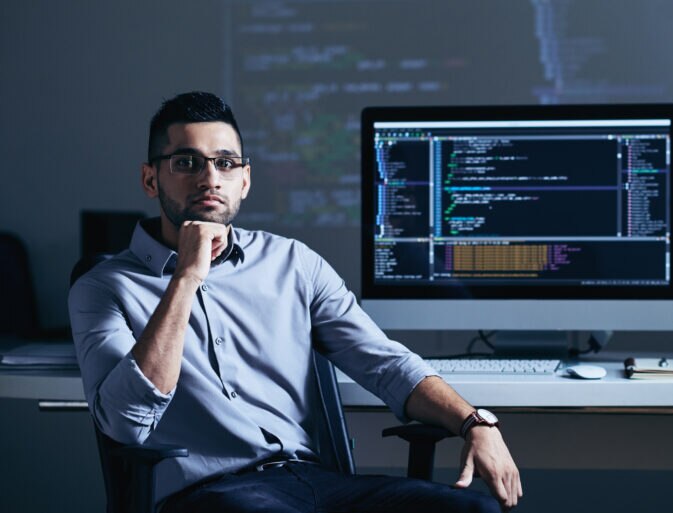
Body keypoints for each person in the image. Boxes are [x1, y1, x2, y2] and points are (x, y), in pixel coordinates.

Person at [69, 91, 522, 513]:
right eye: (187, 162)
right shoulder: (103, 287)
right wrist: (185, 277)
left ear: (245, 179)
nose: (210, 178)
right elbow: (124, 424)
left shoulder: (292, 262)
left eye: (225, 163)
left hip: (316, 482)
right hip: (208, 494)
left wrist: (474, 422)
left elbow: (384, 364)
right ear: (151, 179)